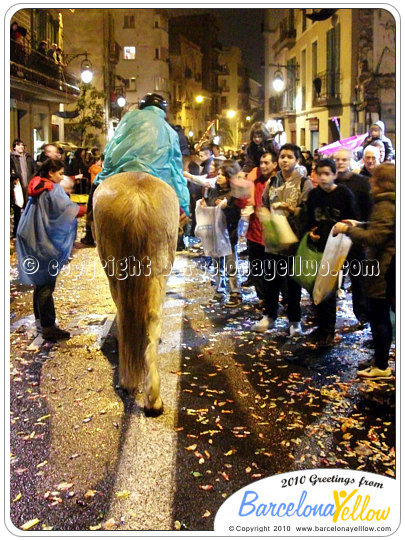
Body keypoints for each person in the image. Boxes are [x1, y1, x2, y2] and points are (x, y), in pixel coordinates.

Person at [80, 92, 190, 245]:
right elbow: (175, 166)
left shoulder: (129, 118)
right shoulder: (170, 131)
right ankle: (178, 240)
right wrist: (183, 203)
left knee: (96, 189)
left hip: (123, 170)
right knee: (176, 204)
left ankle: (90, 234)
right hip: (156, 175)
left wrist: (107, 171)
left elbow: (110, 149)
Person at [333, 163, 395, 379]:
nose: (370, 180)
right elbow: (380, 227)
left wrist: (348, 230)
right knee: (379, 315)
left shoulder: (386, 204)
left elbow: (375, 238)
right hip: (383, 267)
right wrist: (360, 223)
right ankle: (379, 358)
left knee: (379, 316)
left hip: (383, 269)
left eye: (374, 178)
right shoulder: (389, 202)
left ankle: (381, 367)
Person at [16, 159, 86, 341]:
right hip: (43, 241)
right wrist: (87, 208)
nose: (61, 177)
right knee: (46, 283)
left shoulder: (37, 185)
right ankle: (48, 326)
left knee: (39, 282)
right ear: (51, 173)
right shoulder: (52, 189)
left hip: (31, 236)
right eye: (60, 173)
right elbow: (68, 210)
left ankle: (41, 321)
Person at [252, 143, 312, 336]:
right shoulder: (272, 182)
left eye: (289, 157)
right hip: (272, 242)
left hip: (293, 243)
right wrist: (264, 215)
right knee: (271, 282)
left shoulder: (304, 183)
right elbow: (263, 204)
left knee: (292, 285)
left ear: (297, 160)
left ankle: (295, 320)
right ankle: (269, 316)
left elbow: (308, 213)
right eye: (282, 156)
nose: (285, 160)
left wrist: (291, 210)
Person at [305, 158, 358, 347]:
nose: (323, 178)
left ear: (335, 175)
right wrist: (310, 233)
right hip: (317, 247)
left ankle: (328, 331)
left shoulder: (344, 194)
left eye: (327, 173)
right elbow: (308, 219)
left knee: (328, 290)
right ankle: (320, 327)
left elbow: (354, 220)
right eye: (320, 174)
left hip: (337, 249)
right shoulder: (313, 195)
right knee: (315, 289)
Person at [334, 148, 372, 326]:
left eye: (343, 159)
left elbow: (368, 209)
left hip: (355, 237)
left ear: (350, 161)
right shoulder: (330, 180)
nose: (340, 163)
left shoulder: (362, 183)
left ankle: (362, 315)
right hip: (335, 237)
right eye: (337, 159)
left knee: (358, 279)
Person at [200, 163, 243, 307]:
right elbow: (208, 207)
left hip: (229, 235)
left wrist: (226, 207)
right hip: (214, 234)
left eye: (223, 174)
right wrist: (204, 205)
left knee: (231, 263)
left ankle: (235, 292)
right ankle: (219, 291)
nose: (219, 176)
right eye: (218, 173)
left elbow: (236, 214)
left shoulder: (234, 194)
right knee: (217, 264)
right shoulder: (213, 192)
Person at [244, 150, 279, 302]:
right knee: (257, 270)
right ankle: (263, 299)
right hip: (255, 233)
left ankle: (276, 300)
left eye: (267, 163)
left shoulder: (279, 183)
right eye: (261, 163)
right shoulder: (254, 182)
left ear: (274, 164)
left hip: (273, 235)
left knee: (275, 271)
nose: (263, 166)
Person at [10, 139, 36, 237]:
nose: (21, 147)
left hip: (28, 185)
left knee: (28, 207)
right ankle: (17, 231)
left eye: (22, 145)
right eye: (18, 145)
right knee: (17, 209)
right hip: (17, 186)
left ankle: (28, 230)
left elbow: (35, 169)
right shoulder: (12, 158)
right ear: (14, 147)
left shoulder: (28, 157)